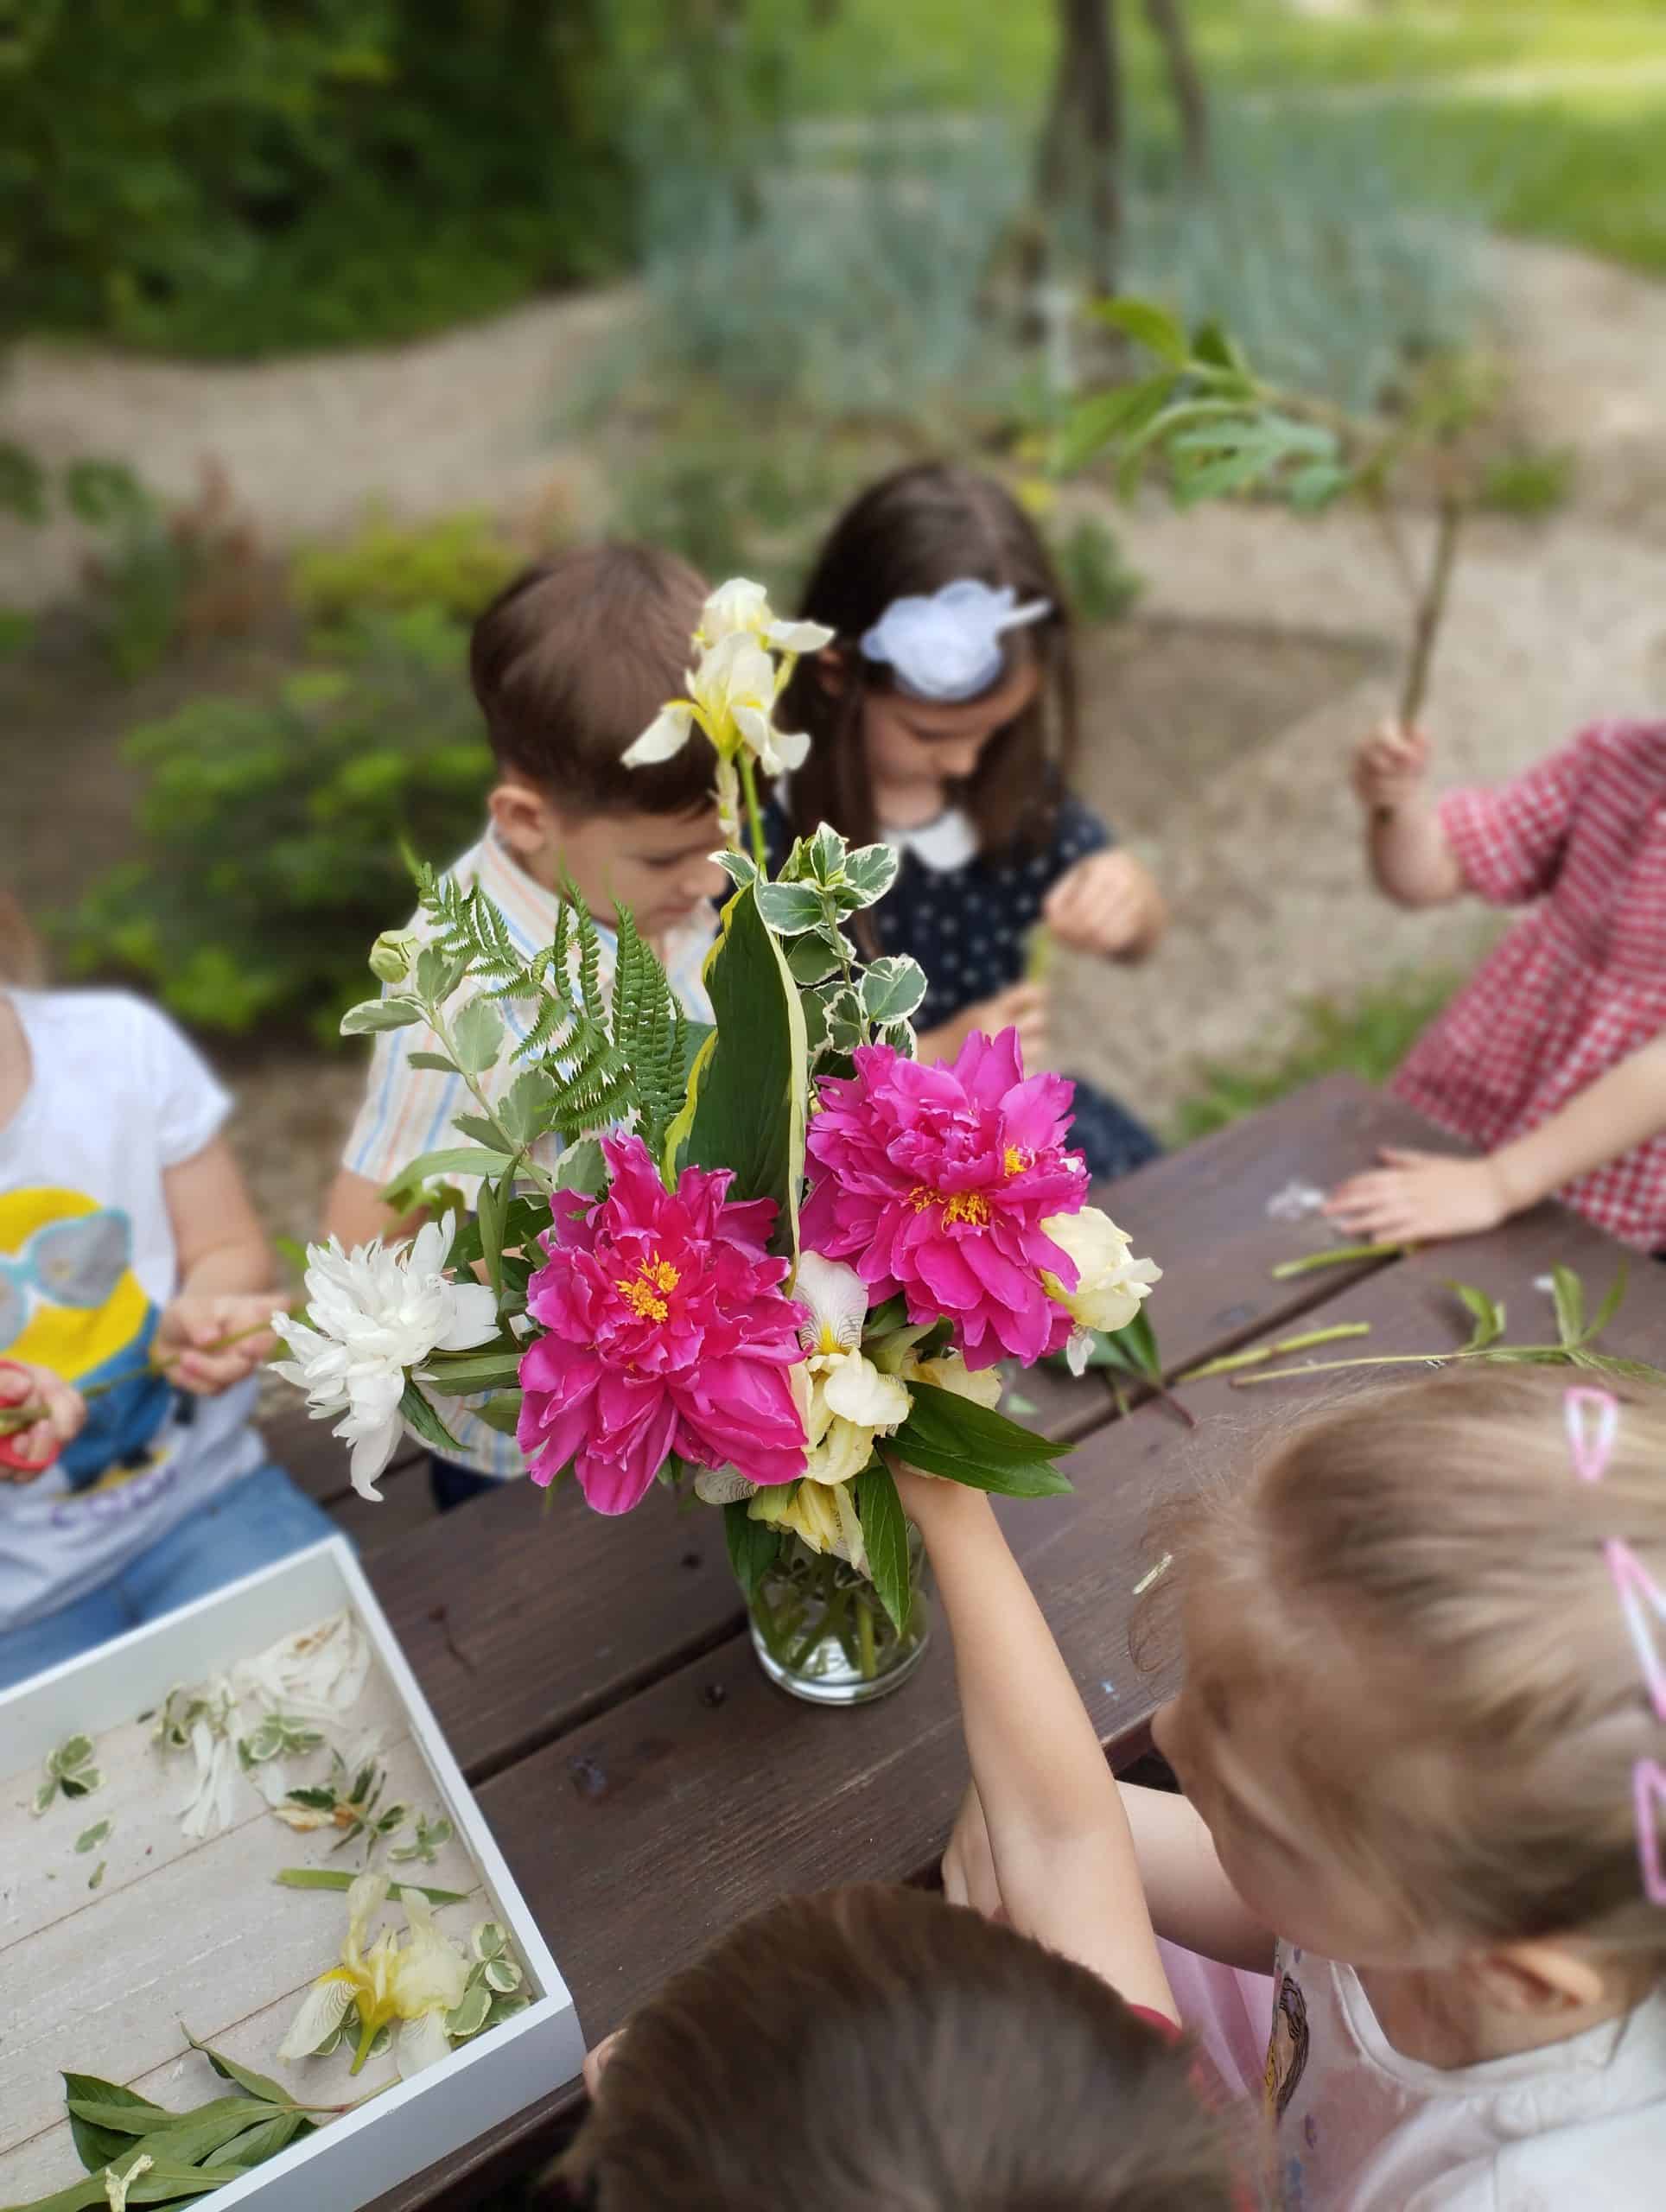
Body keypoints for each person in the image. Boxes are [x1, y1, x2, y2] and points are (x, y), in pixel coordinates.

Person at [952, 1364, 1666, 2208]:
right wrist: (1063, 1828)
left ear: (1520, 1978)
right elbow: (1254, 1918)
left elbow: (1068, 1843)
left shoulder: (1530, 2191)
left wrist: (1066, 1848)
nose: (1168, 1736)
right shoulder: (1438, 1885)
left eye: (1257, 1811)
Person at [545, 1464, 1250, 2212]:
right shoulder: (1127, 2123)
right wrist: (953, 1502)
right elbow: (1062, 1840)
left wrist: (659, 2130)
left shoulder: (1118, 2117)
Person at [325, 543, 730, 1513]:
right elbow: (365, 1238)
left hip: (681, 1379)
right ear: (524, 818)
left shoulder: (651, 889)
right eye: (670, 857)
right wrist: (530, 1266)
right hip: (529, 1442)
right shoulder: (461, 988)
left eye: (724, 839)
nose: (710, 879)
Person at [769, 462, 1167, 1182]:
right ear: (834, 675)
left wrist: (1127, 899)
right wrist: (928, 1060)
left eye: (995, 730)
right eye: (930, 734)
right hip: (859, 1180)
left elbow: (1139, 934)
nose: (964, 760)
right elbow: (756, 1088)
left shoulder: (1005, 791)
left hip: (1009, 1146)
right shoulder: (771, 830)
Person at [0, 896, 333, 1690]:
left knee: (325, 1705)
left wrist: (208, 1312)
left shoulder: (121, 1045)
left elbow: (227, 1250)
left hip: (206, 1504)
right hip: (17, 1609)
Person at [1326, 715, 1666, 1248]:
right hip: (1469, 1102)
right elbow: (1429, 877)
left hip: (1599, 1176)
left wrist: (1499, 1184)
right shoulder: (1616, 759)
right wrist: (1396, 805)